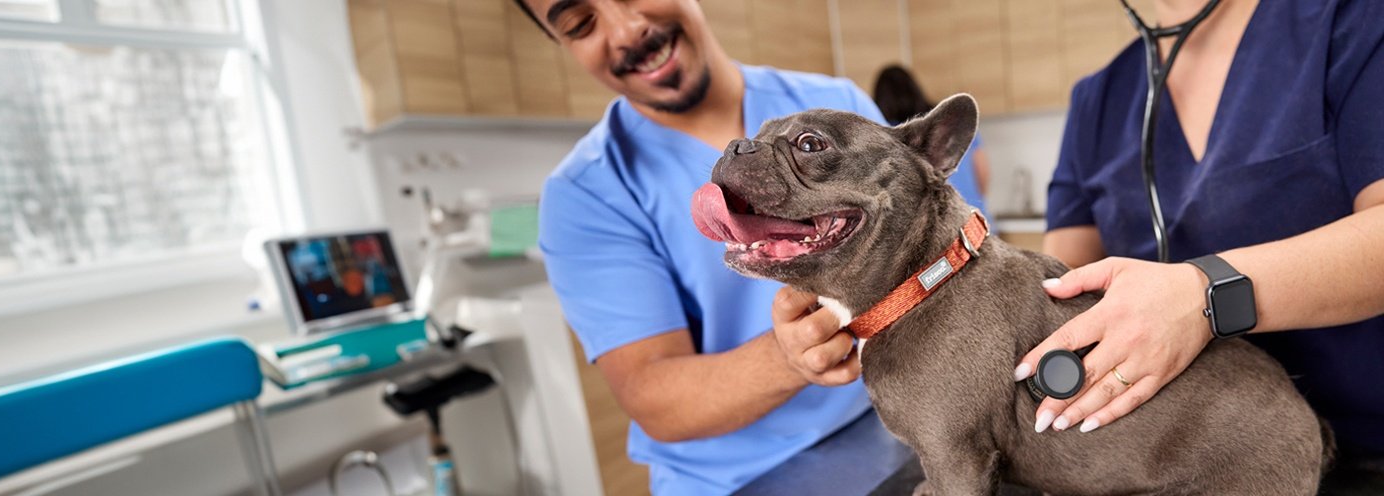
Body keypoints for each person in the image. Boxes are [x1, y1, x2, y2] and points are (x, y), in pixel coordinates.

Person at [513, 0, 883, 493]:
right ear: (559, 42)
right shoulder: (587, 194)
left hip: (881, 427)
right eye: (581, 24)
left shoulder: (837, 104)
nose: (626, 30)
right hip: (736, 482)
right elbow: (656, 398)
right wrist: (788, 355)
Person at [1016, 0, 1384, 490]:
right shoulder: (1096, 103)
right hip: (1179, 464)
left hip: (1365, 454)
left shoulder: (1351, 24)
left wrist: (1204, 295)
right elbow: (1061, 293)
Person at [872, 64, 992, 219]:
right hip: (974, 218)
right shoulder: (951, 123)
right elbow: (982, 173)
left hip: (938, 226)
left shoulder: (888, 137)